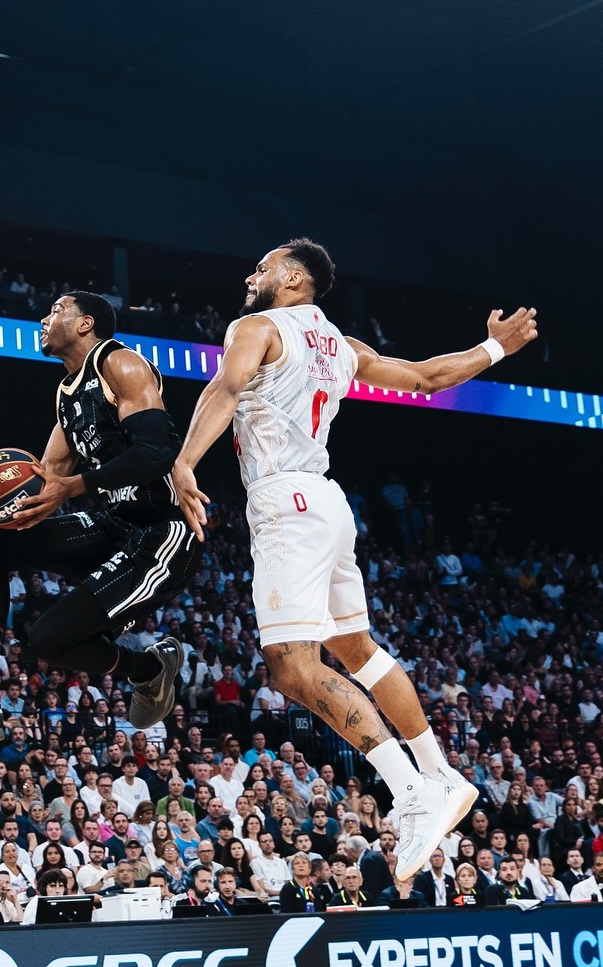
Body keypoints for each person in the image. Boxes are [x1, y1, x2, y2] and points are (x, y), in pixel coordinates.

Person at [171, 240, 537, 878]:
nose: (250, 275)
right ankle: (441, 773)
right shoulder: (341, 346)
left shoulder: (255, 326)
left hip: (285, 500)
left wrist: (183, 462)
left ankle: (412, 790)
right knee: (357, 649)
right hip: (330, 505)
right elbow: (426, 378)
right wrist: (497, 348)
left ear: (291, 277)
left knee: (290, 668)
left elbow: (225, 388)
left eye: (261, 267)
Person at [0, 292, 202, 740]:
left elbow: (157, 453)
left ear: (85, 324)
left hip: (161, 536)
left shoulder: (121, 365)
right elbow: (48, 483)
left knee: (47, 640)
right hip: (114, 526)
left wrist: (76, 486)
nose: (44, 318)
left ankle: (148, 669)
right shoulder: (66, 393)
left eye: (56, 310)